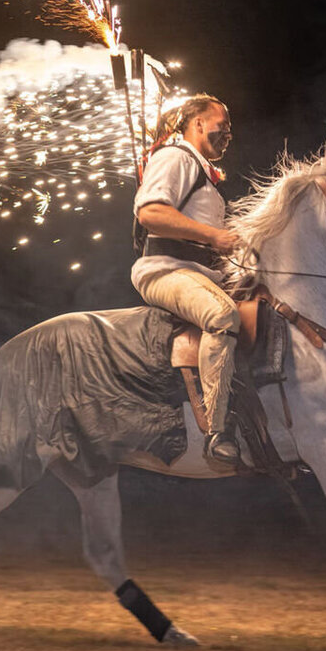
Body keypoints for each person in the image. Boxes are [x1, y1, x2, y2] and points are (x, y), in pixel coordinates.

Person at [132, 94, 243, 465]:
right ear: (196, 124)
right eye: (221, 125)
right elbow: (151, 213)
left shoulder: (204, 175)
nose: (228, 134)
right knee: (223, 316)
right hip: (165, 271)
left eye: (230, 128)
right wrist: (214, 237)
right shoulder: (176, 157)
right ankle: (215, 430)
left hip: (198, 273)